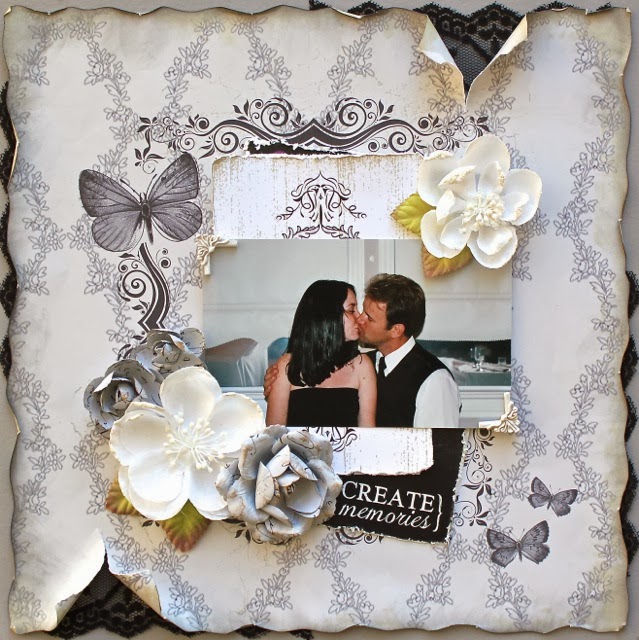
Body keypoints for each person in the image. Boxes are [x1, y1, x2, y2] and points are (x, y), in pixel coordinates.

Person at [265, 280, 376, 428]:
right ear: (328, 316)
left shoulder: (362, 365)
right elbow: (274, 434)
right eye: (351, 310)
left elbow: (368, 433)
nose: (359, 317)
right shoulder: (287, 366)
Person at [357, 273, 460, 428]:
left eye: (369, 318)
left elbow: (438, 442)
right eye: (362, 311)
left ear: (396, 330)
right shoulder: (363, 364)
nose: (359, 319)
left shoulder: (435, 381)